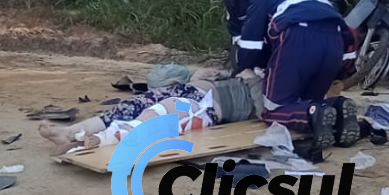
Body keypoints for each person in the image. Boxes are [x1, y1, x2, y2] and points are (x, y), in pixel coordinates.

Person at [233, 0, 359, 154]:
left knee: (273, 109)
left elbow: (250, 45)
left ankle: (313, 113)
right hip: (335, 40)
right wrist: (341, 72)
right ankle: (337, 107)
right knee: (308, 101)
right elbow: (348, 37)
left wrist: (241, 69)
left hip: (297, 36)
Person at [39, 69, 265, 154]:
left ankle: (97, 139)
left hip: (209, 106)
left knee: (157, 117)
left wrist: (252, 79)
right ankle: (71, 132)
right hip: (198, 89)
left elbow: (266, 110)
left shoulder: (270, 92)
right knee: (130, 107)